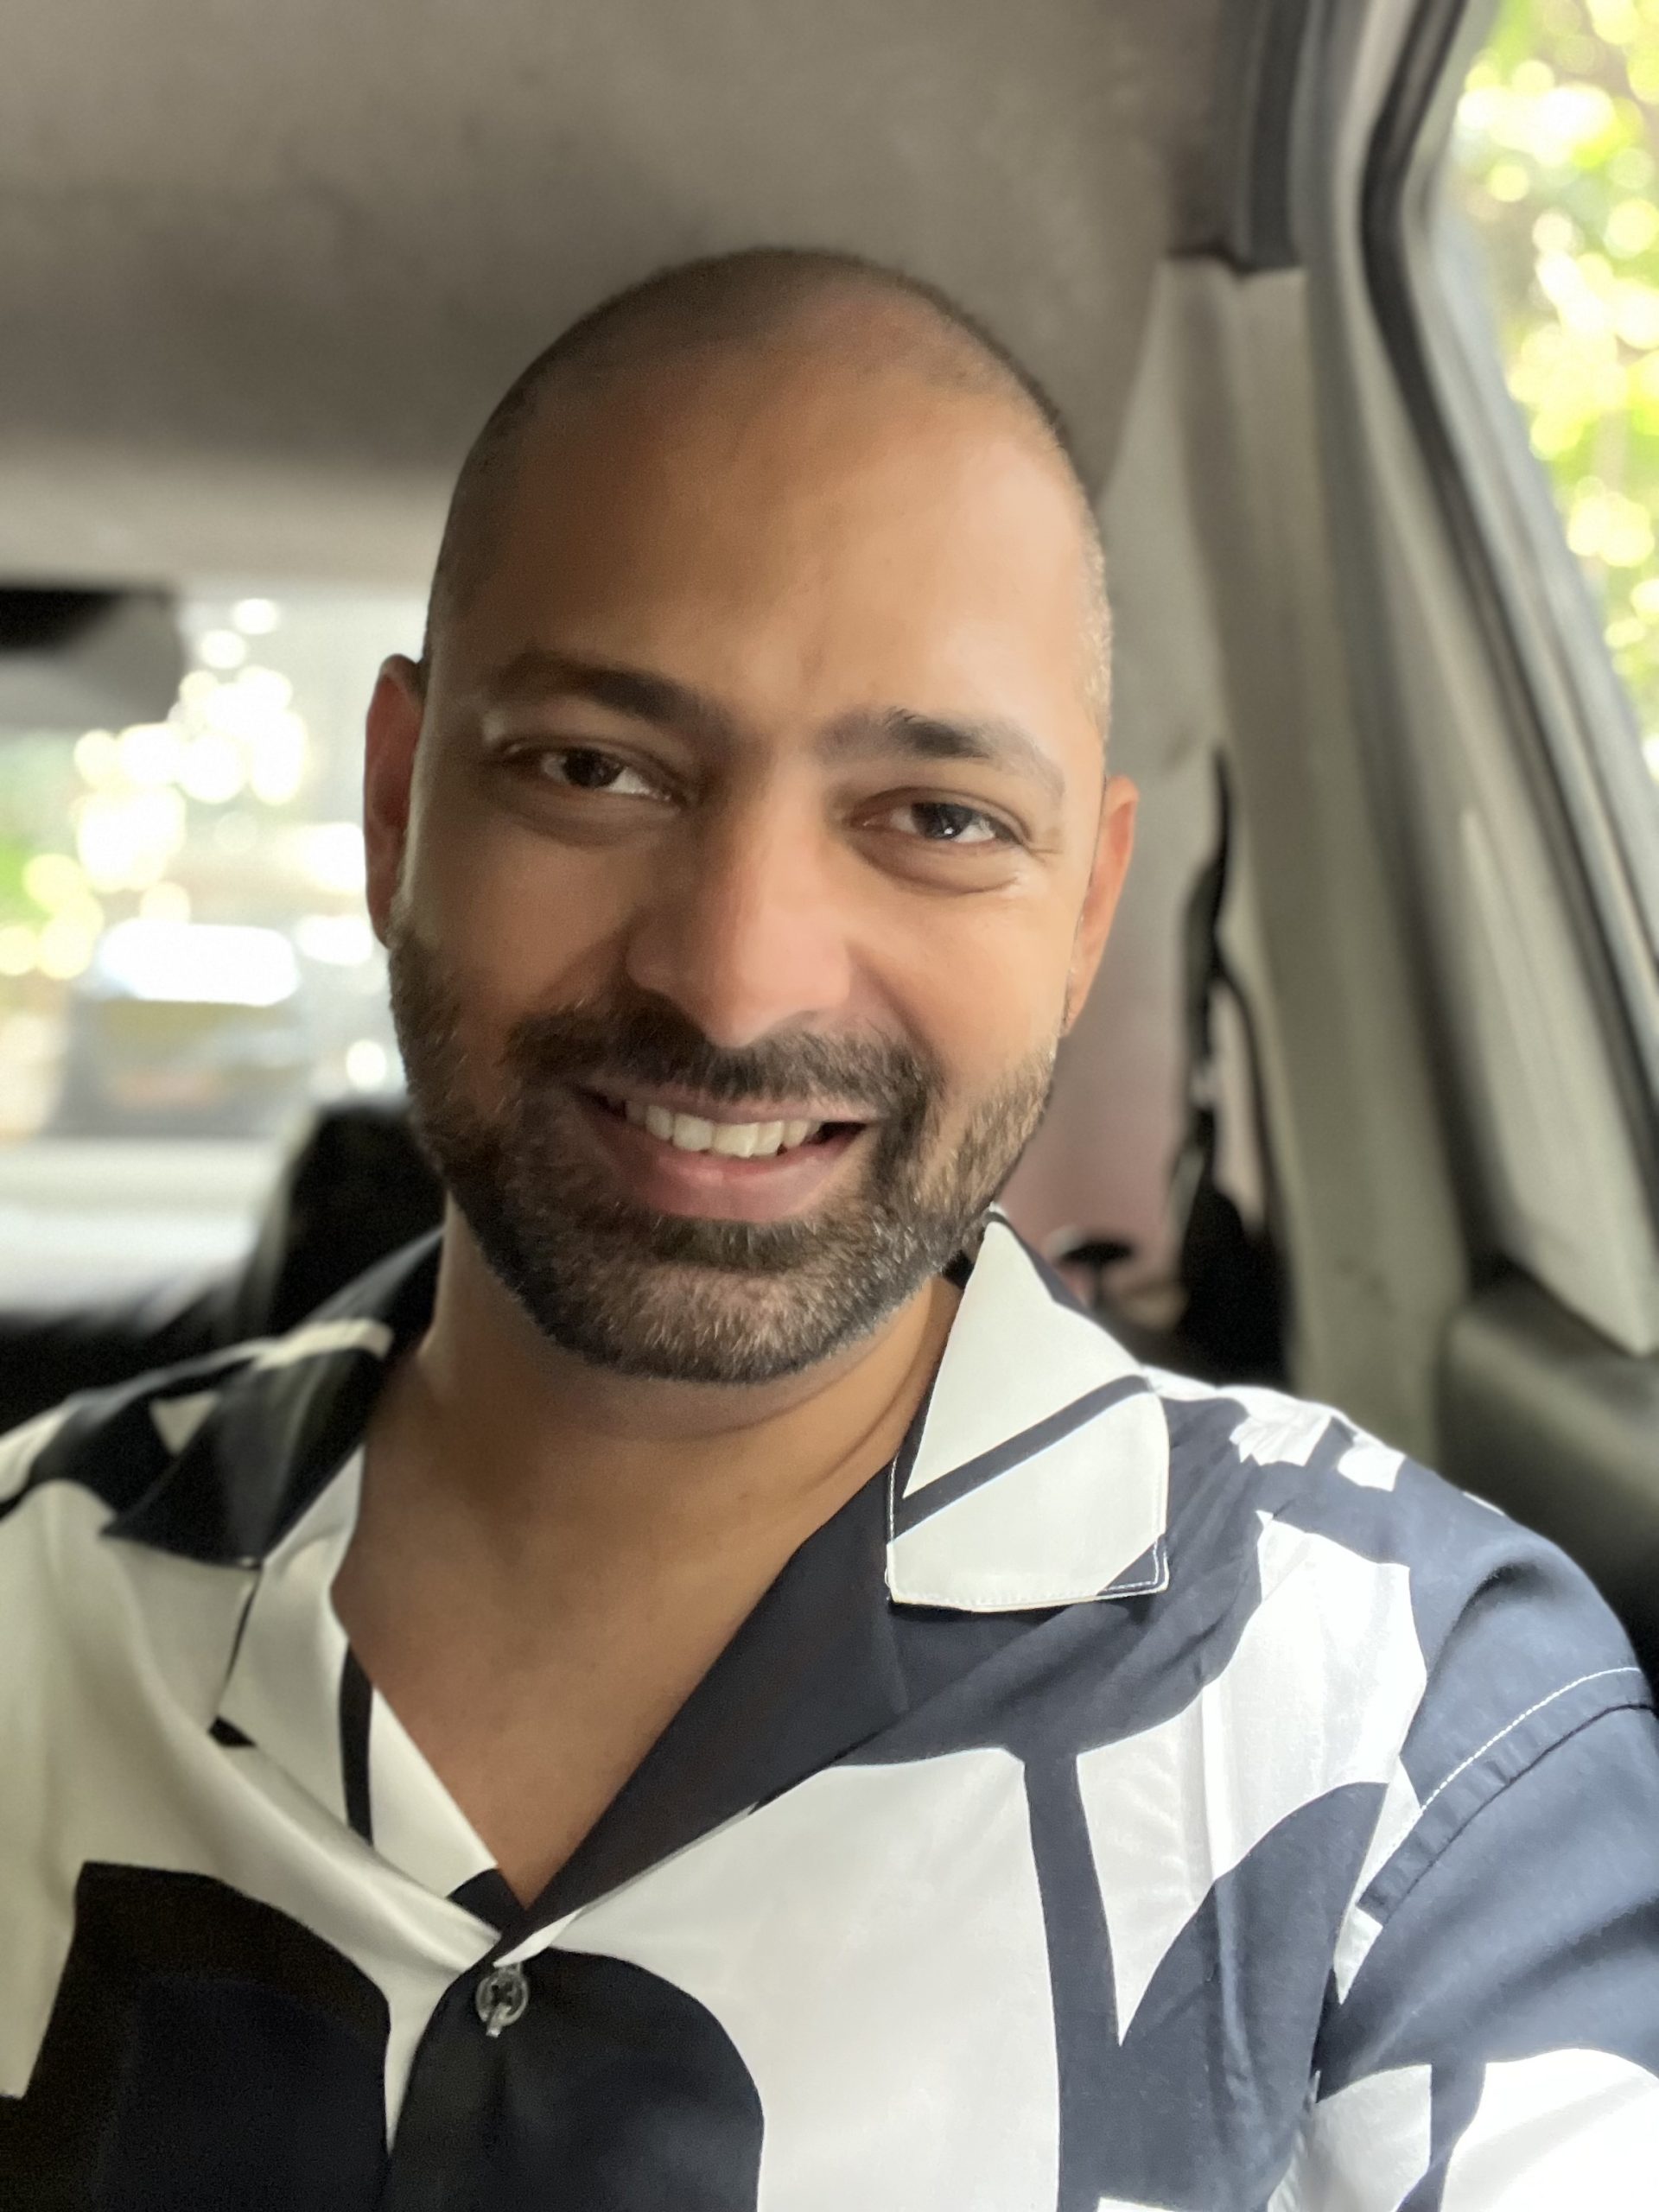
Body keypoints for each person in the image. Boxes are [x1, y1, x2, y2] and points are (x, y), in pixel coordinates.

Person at [2, 248, 1655, 2212]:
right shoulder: (27, 1600)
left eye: (937, 816)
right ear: (392, 811)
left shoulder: (1414, 1728)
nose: (733, 979)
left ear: (1085, 914)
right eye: (597, 769)